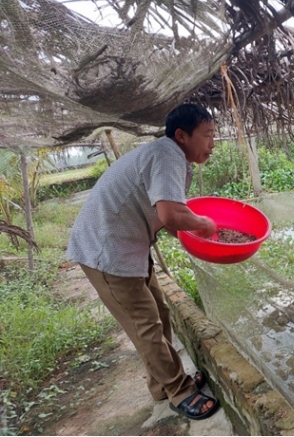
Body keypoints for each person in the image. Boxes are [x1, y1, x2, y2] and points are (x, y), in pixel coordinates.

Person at [66, 103, 219, 420]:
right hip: (106, 252)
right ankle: (179, 391)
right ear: (182, 135)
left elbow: (170, 218)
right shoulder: (167, 156)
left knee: (160, 312)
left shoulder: (169, 155)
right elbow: (171, 214)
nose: (212, 144)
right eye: (207, 135)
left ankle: (161, 384)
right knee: (145, 324)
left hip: (129, 245)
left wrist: (196, 234)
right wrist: (205, 225)